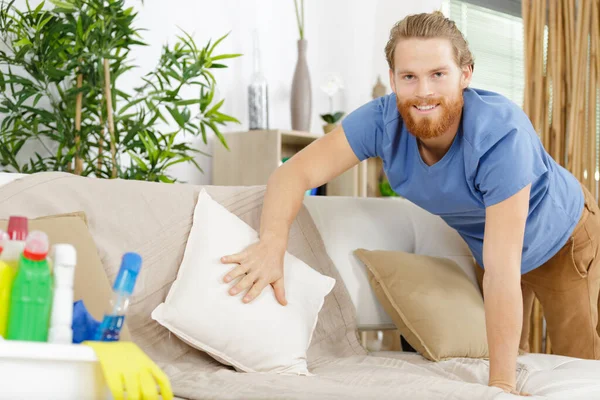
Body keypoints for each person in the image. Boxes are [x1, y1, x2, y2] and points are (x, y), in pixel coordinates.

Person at [220, 10, 600, 396]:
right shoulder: (382, 122)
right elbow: (292, 173)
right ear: (393, 80)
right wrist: (271, 244)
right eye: (409, 77)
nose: (423, 92)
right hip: (492, 245)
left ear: (465, 74)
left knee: (581, 363)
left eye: (438, 74)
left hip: (562, 240)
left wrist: (498, 387)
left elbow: (504, 272)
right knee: (499, 351)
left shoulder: (501, 135)